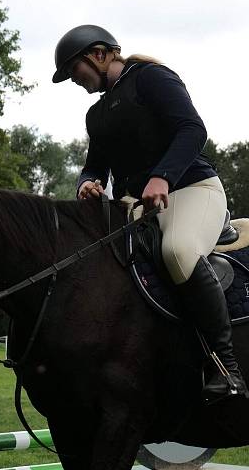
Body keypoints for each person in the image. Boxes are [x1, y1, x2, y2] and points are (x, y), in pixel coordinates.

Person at [52, 24, 247, 404]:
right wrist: (87, 184)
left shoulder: (151, 78)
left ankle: (227, 369)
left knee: (177, 251)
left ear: (97, 54)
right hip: (140, 207)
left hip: (192, 190)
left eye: (75, 72)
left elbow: (192, 130)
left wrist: (162, 177)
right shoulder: (96, 115)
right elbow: (95, 166)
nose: (75, 82)